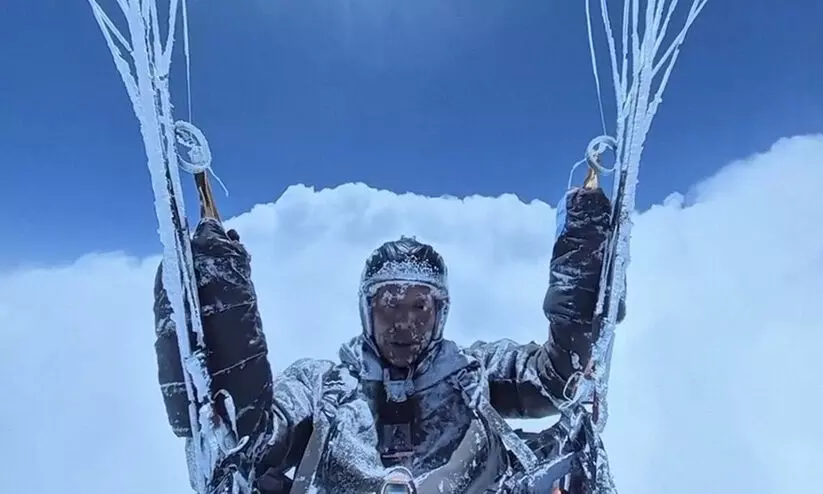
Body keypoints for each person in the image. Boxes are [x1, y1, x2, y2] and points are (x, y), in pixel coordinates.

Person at [153, 185, 624, 494]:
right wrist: (223, 300)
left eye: (420, 306)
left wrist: (583, 257)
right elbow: (252, 437)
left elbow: (556, 382)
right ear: (367, 310)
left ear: (440, 313)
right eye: (390, 305)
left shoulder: (474, 371)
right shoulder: (323, 386)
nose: (405, 323)